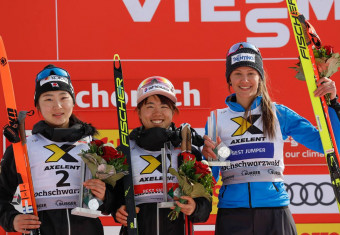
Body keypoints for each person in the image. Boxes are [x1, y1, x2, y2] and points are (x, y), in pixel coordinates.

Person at [201, 42, 340, 235]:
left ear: (260, 77)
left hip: (274, 212)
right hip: (232, 214)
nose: (245, 80)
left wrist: (332, 103)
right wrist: (209, 163)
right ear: (229, 80)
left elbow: (330, 144)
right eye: (237, 74)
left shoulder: (278, 113)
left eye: (251, 73)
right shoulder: (216, 119)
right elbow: (212, 174)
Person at [0, 65, 114, 234]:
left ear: (73, 101)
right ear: (37, 105)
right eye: (48, 99)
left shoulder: (94, 146)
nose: (57, 106)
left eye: (63, 97)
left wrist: (105, 196)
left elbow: (116, 200)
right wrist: (12, 219)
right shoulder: (23, 148)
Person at [113, 76, 212, 235]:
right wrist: (117, 210)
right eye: (150, 106)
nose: (157, 113)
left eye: (164, 106)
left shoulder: (188, 151)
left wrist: (195, 207)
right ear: (139, 111)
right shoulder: (124, 151)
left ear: (173, 111)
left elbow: (205, 205)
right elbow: (114, 197)